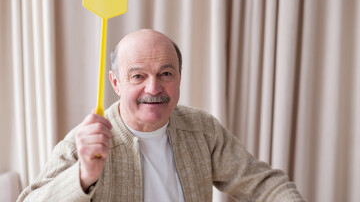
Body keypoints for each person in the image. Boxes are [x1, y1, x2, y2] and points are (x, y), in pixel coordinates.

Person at [18, 29, 304, 201]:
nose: (153, 88)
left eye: (165, 73)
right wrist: (83, 175)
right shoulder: (89, 141)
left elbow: (263, 184)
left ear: (179, 77)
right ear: (116, 83)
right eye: (138, 75)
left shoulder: (202, 129)